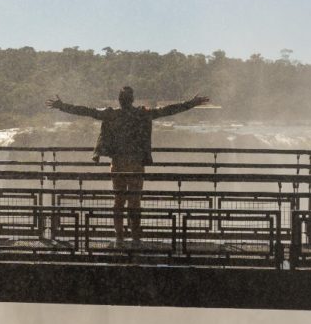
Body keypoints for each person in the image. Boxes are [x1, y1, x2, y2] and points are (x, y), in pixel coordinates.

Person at [45, 87, 210, 246]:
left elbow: (87, 111)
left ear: (119, 100)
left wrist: (62, 106)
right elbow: (168, 110)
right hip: (136, 164)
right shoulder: (142, 114)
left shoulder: (112, 115)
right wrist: (192, 103)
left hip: (118, 163)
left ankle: (119, 237)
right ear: (132, 100)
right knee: (134, 202)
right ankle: (135, 237)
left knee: (119, 201)